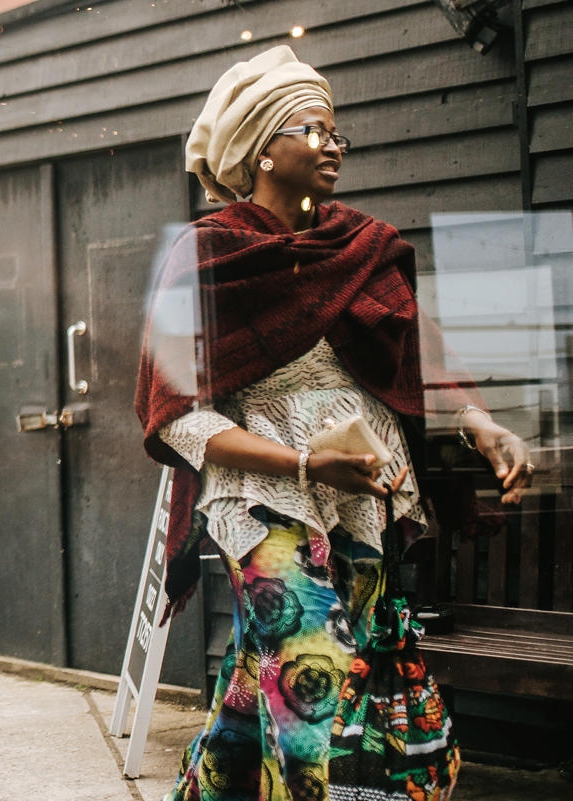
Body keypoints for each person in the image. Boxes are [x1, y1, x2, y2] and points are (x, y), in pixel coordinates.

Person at [134, 47, 533, 801]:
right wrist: (304, 464)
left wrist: (482, 422)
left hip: (365, 497)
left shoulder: (364, 246)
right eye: (312, 129)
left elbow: (416, 359)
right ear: (260, 149)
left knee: (266, 686)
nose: (333, 144)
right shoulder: (205, 254)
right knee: (313, 676)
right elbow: (181, 418)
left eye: (337, 131)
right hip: (262, 500)